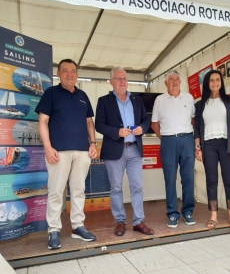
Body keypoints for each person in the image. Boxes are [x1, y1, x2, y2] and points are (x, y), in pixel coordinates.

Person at [35, 58, 97, 250]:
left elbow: (89, 122)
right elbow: (43, 121)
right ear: (58, 74)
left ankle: (77, 226)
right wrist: (47, 147)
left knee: (78, 191)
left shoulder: (83, 95)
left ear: (77, 74)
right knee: (56, 191)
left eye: (73, 71)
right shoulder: (51, 93)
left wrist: (93, 143)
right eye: (65, 71)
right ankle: (54, 230)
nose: (70, 74)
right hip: (58, 152)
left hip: (82, 151)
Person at [95, 67, 154, 237]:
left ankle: (138, 222)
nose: (122, 81)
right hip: (114, 151)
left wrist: (142, 129)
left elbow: (145, 120)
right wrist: (117, 132)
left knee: (137, 187)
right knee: (116, 188)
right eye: (118, 78)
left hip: (134, 149)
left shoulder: (136, 100)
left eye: (124, 78)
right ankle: (120, 221)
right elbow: (99, 124)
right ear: (111, 82)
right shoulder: (104, 101)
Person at [194, 70, 230, 229]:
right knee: (211, 181)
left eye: (217, 80)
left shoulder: (228, 101)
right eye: (212, 80)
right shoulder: (201, 105)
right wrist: (198, 148)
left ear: (221, 83)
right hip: (208, 145)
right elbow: (197, 129)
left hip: (227, 144)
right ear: (207, 84)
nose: (215, 83)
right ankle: (213, 216)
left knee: (229, 180)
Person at [151, 70, 196, 228]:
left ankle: (188, 211)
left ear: (180, 82)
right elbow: (154, 123)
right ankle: (172, 213)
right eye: (171, 79)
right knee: (170, 178)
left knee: (188, 177)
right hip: (168, 141)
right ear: (166, 83)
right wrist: (165, 138)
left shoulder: (189, 98)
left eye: (177, 79)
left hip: (187, 139)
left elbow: (193, 119)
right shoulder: (160, 99)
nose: (175, 82)